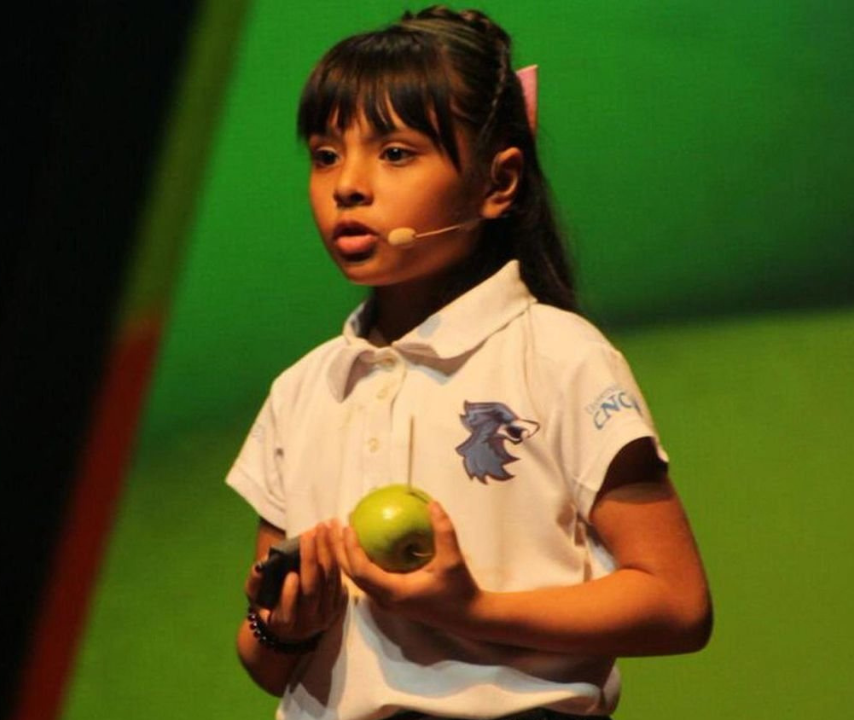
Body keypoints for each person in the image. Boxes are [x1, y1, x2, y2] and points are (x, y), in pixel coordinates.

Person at [227, 7, 711, 719]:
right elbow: (266, 661)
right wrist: (284, 626)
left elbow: (677, 603)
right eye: (327, 154)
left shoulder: (560, 355)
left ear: (499, 182)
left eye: (394, 152)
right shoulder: (302, 390)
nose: (347, 186)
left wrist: (472, 608)